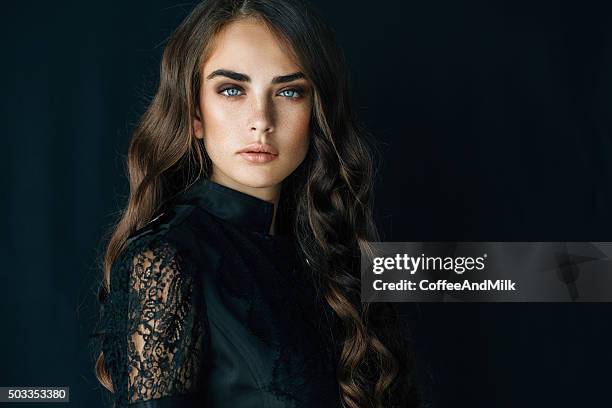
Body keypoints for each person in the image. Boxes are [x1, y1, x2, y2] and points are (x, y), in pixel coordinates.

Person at [93, 0, 419, 407]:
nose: (261, 119)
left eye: (288, 91)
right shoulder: (165, 260)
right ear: (195, 113)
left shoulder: (334, 254)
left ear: (315, 111)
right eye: (232, 90)